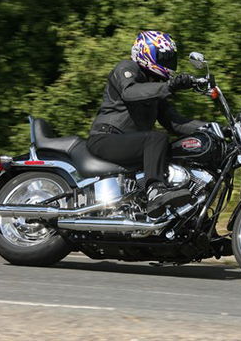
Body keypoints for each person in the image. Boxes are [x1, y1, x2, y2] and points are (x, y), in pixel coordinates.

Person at [87, 30, 206, 217]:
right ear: (146, 52)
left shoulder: (155, 88)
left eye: (170, 58)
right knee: (156, 138)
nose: (168, 62)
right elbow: (130, 92)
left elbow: (176, 123)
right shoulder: (127, 68)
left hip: (130, 144)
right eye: (163, 57)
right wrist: (169, 86)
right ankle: (155, 191)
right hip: (106, 137)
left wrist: (211, 129)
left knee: (176, 150)